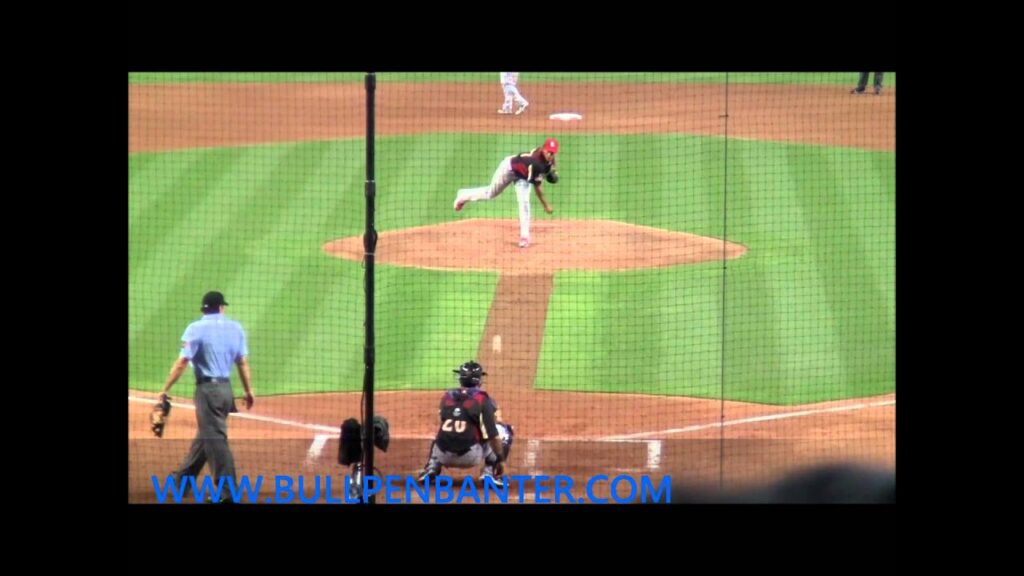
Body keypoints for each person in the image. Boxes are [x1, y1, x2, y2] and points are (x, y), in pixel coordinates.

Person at [159, 290, 254, 502]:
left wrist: (165, 388)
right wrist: (248, 391)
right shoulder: (235, 328)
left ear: (204, 308)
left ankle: (227, 493)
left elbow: (182, 362)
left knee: (215, 440)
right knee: (206, 437)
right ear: (221, 307)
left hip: (207, 392)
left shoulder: (195, 328)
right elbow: (242, 362)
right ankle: (181, 483)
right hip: (225, 391)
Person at [418, 361, 514, 487]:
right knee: (504, 430)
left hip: (442, 455)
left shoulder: (447, 396)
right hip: (469, 458)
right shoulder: (482, 399)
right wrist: (501, 460)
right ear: (479, 380)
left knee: (442, 433)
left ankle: (431, 468)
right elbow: (493, 436)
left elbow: (442, 419)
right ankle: (490, 473)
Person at [453, 138, 559, 248]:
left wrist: (554, 169)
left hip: (522, 177)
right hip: (509, 168)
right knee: (491, 193)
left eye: (552, 153)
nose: (550, 154)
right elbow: (538, 189)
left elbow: (551, 162)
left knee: (524, 202)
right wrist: (546, 205)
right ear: (543, 149)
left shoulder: (546, 157)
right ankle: (463, 195)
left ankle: (525, 237)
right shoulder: (536, 163)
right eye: (548, 151)